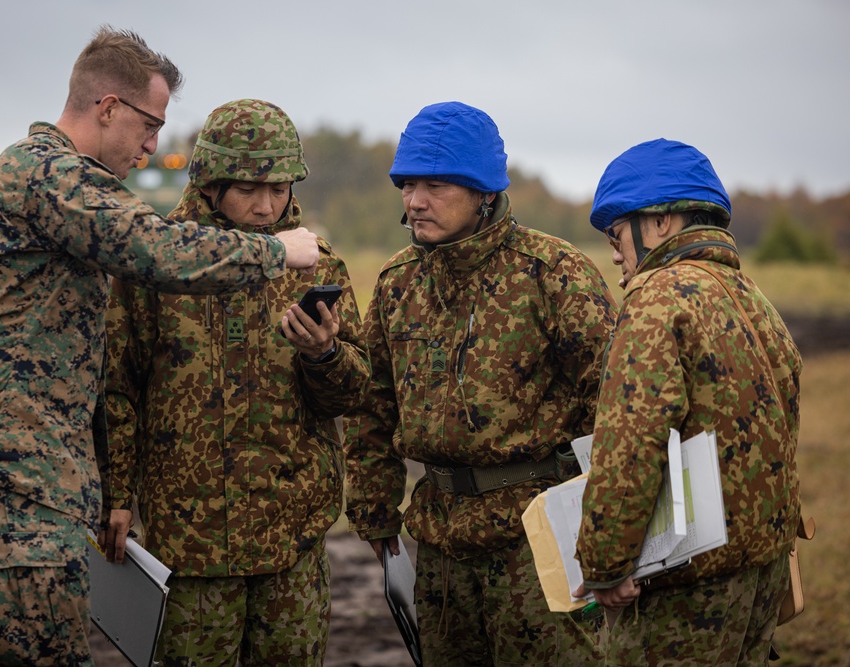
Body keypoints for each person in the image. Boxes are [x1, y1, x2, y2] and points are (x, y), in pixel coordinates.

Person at [0, 27, 320, 666]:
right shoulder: (53, 176)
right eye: (149, 124)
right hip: (19, 494)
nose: (153, 144)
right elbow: (155, 249)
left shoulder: (22, 174)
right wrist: (276, 250)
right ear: (107, 106)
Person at [343, 101, 616, 666]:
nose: (416, 200)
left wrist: (610, 532)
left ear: (484, 192)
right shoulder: (399, 283)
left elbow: (611, 406)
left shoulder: (552, 273)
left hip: (537, 540)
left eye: (436, 185)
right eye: (407, 184)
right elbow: (374, 406)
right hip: (439, 543)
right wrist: (373, 508)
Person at [101, 98, 370, 666]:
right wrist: (115, 495)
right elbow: (118, 387)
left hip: (291, 538)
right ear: (209, 183)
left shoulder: (316, 265)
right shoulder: (160, 263)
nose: (266, 206)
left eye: (279, 188)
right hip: (192, 542)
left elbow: (353, 393)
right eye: (249, 188)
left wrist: (324, 356)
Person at [574, 138, 803, 665]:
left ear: (659, 225)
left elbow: (632, 438)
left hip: (686, 595)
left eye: (616, 233)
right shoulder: (748, 294)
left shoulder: (657, 297)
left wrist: (606, 563)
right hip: (759, 577)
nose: (614, 253)